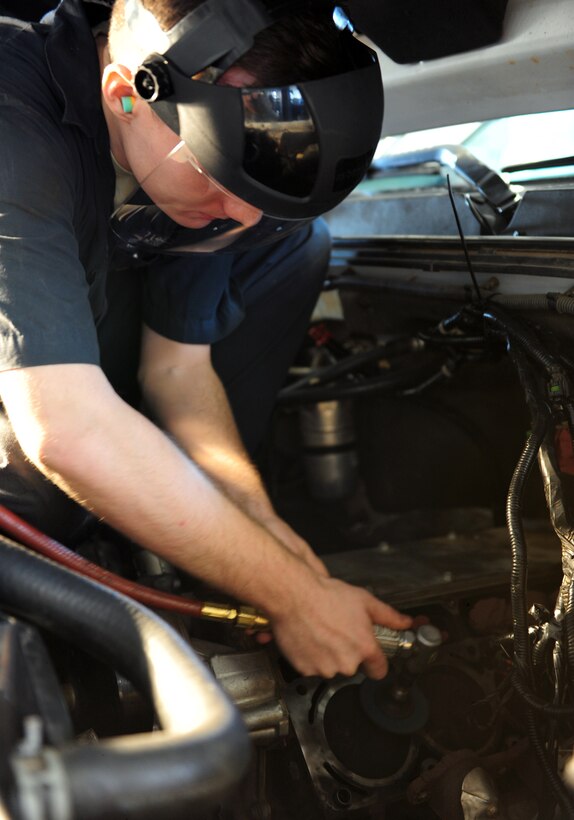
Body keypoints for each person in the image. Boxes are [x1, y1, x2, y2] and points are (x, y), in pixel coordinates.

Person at [0, 0, 411, 680]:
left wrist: (261, 528)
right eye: (218, 176)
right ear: (125, 98)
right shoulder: (14, 121)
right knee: (41, 490)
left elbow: (177, 371)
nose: (241, 215)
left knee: (296, 243)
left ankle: (175, 523)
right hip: (31, 360)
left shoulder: (209, 138)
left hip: (95, 295)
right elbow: (64, 428)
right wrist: (294, 598)